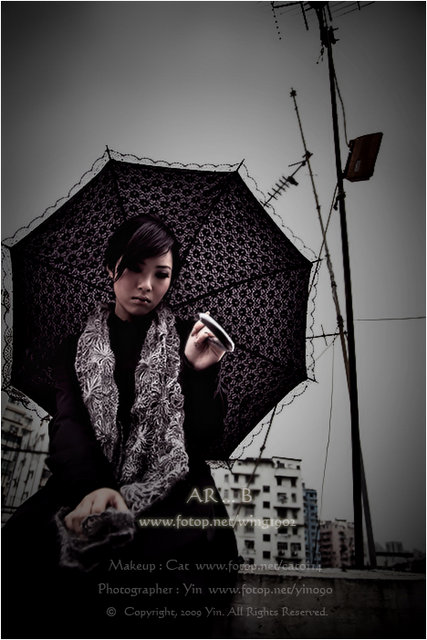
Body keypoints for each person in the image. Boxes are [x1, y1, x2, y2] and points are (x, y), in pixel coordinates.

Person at [3, 215, 239, 639]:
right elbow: (69, 428)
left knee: (169, 556)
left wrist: (198, 373)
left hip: (173, 489)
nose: (146, 285)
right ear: (111, 266)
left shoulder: (188, 338)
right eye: (133, 268)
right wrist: (94, 488)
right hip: (87, 480)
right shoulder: (74, 348)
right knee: (28, 542)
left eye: (161, 274)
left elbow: (204, 440)